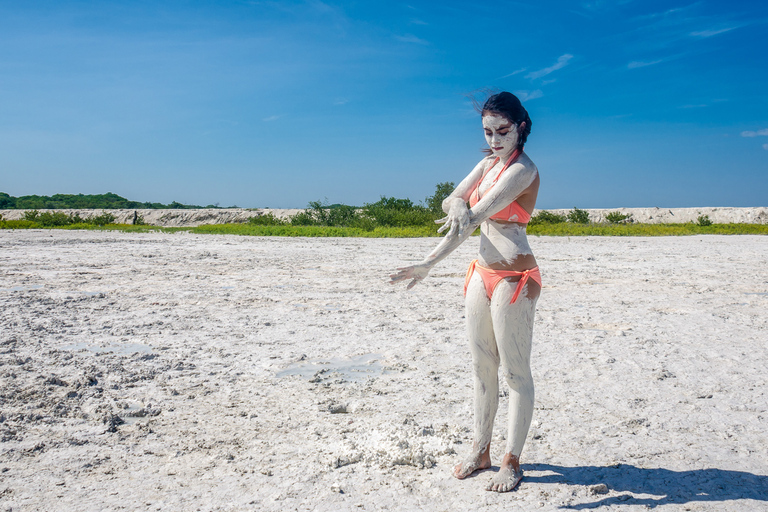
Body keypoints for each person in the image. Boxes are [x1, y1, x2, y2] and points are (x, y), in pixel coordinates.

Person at [390, 92, 540, 493]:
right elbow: (452, 200)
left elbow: (473, 217)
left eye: (502, 131)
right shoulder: (487, 163)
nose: (494, 140)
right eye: (488, 132)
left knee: (515, 372)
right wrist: (454, 203)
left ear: (521, 128)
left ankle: (512, 459)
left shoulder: (522, 170)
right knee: (481, 367)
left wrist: (428, 262)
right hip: (481, 272)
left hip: (515, 278)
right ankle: (481, 449)